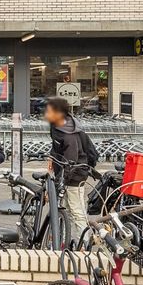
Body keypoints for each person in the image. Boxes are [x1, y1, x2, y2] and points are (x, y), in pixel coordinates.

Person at [45, 96, 93, 238]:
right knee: (64, 208)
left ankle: (84, 241)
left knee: (76, 210)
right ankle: (63, 239)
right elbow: (56, 147)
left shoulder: (69, 135)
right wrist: (52, 157)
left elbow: (71, 162)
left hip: (75, 175)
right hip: (64, 172)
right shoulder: (56, 127)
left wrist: (62, 180)